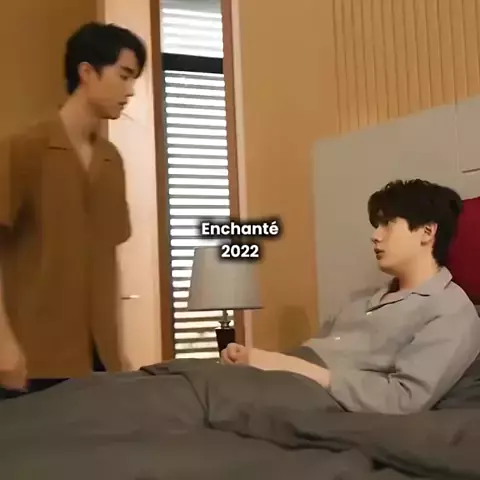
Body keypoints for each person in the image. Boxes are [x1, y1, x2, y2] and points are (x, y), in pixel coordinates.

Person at [222, 179, 480, 414]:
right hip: (284, 380)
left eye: (388, 224)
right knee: (206, 377)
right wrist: (256, 361)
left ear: (427, 232)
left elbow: (403, 398)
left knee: (206, 393)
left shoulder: (450, 310)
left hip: (316, 395)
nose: (375, 236)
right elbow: (314, 352)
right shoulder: (361, 299)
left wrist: (285, 366)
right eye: (376, 226)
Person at [0, 22, 146, 398]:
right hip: (32, 360)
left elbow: (109, 259)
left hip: (99, 362)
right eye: (124, 75)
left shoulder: (111, 160)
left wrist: (119, 349)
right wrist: (3, 344)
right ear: (87, 72)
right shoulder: (24, 148)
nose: (131, 90)